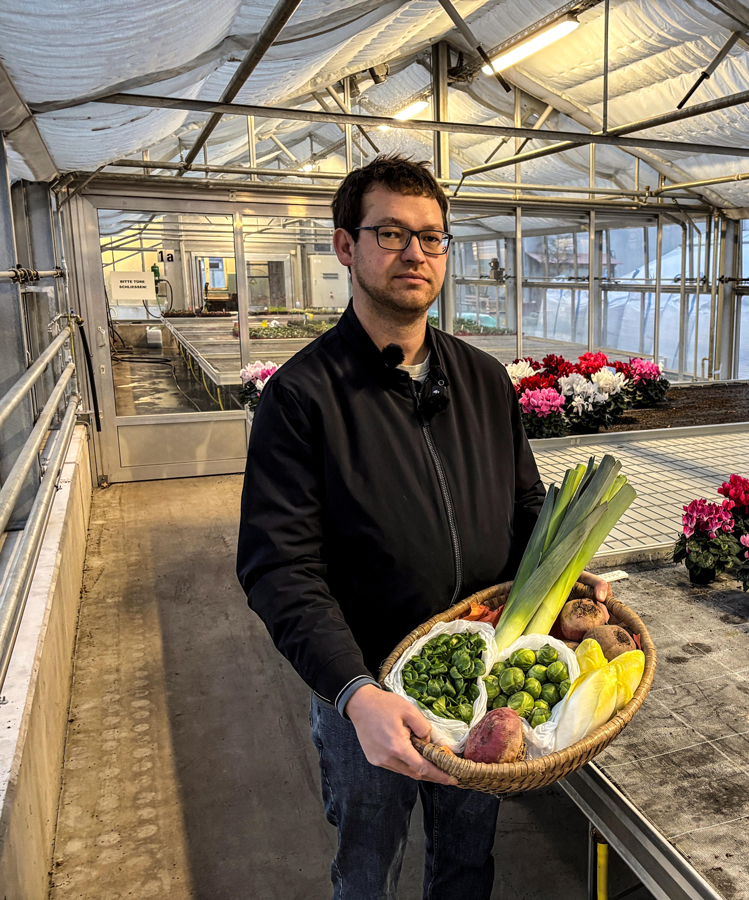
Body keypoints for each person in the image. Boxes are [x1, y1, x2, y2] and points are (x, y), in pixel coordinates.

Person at [236, 154, 609, 899]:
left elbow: (527, 506)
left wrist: (562, 577)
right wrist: (353, 691)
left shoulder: (480, 378)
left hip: (478, 687)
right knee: (367, 866)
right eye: (392, 233)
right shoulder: (304, 398)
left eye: (433, 237)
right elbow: (279, 568)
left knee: (467, 861)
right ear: (346, 246)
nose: (416, 253)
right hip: (368, 694)